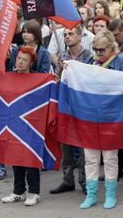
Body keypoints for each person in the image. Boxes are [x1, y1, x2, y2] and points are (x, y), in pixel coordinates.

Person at [80, 31, 123, 209]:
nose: (98, 52)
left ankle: (110, 195)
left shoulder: (121, 64)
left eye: (102, 49)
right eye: (95, 49)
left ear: (112, 48)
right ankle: (91, 194)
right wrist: (69, 69)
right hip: (90, 117)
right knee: (90, 158)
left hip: (111, 117)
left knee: (110, 158)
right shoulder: (89, 61)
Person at [49, 25, 91, 195]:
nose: (67, 37)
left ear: (80, 37)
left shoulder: (89, 56)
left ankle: (84, 181)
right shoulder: (62, 57)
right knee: (65, 144)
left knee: (83, 147)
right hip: (65, 106)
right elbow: (58, 79)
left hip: (82, 107)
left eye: (71, 34)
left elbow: (90, 79)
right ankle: (67, 180)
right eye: (65, 34)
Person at [1, 46, 42, 206]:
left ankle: (34, 191)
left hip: (31, 125)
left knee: (29, 157)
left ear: (31, 63)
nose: (20, 62)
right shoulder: (9, 77)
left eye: (25, 60)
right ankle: (18, 191)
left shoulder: (38, 79)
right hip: (13, 123)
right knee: (15, 155)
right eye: (19, 58)